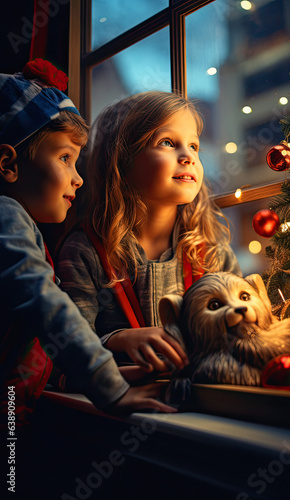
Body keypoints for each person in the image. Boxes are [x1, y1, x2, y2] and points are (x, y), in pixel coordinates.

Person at [0, 61, 176, 429]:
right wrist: (109, 388)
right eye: (65, 158)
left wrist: (89, 374)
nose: (78, 178)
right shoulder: (7, 217)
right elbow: (44, 304)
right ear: (8, 164)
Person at [56, 90, 242, 376]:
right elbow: (67, 349)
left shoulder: (211, 248)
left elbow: (240, 330)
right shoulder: (85, 251)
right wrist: (118, 339)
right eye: (167, 142)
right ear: (121, 162)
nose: (188, 156)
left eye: (194, 146)